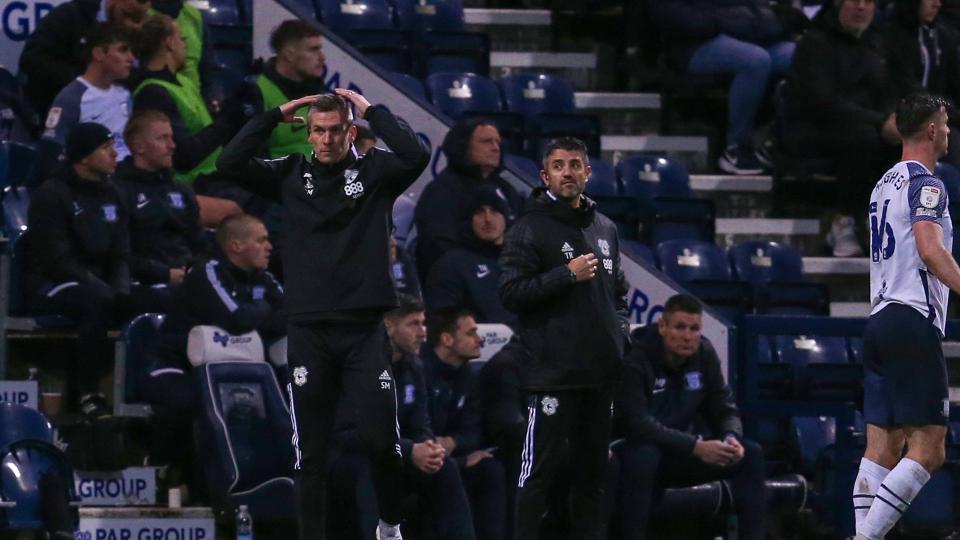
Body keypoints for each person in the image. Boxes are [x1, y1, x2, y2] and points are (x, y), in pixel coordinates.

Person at [216, 89, 431, 540]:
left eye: (336, 130)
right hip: (310, 330)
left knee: (382, 444)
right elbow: (229, 163)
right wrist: (276, 114)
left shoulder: (375, 172)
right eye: (319, 130)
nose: (328, 139)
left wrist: (373, 110)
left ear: (351, 132)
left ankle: (390, 524)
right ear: (308, 133)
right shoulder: (290, 173)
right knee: (309, 454)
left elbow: (416, 153)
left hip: (363, 330)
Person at [498, 137, 630, 540]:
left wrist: (619, 334)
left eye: (575, 164)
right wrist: (565, 274)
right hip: (553, 374)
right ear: (545, 176)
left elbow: (618, 293)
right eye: (559, 165)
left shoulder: (605, 228)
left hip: (599, 375)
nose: (568, 172)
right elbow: (510, 293)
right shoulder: (529, 228)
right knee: (537, 473)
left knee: (593, 478)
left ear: (588, 173)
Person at [855, 93, 958, 540]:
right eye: (947, 123)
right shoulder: (927, 183)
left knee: (881, 449)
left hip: (878, 320)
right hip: (910, 319)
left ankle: (864, 532)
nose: (951, 131)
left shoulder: (883, 184)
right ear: (932, 129)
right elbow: (930, 249)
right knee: (930, 449)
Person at [25, 122, 168, 418]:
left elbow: (121, 255)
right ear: (83, 156)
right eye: (106, 148)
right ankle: (89, 392)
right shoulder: (51, 195)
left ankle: (154, 385)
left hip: (99, 283)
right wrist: (104, 290)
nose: (116, 154)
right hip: (52, 284)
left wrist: (122, 291)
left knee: (161, 299)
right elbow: (56, 260)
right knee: (96, 300)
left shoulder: (112, 193)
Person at [143, 213, 284, 495]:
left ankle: (262, 479)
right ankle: (165, 468)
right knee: (189, 401)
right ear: (236, 246)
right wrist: (264, 311)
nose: (269, 246)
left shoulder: (264, 277)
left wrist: (258, 313)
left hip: (231, 371)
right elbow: (237, 319)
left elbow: (292, 313)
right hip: (175, 363)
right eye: (261, 240)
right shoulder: (207, 272)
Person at [612, 294, 765, 540]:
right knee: (644, 456)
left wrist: (730, 437)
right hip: (635, 448)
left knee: (751, 454)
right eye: (680, 327)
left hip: (684, 451)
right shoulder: (636, 355)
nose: (687, 336)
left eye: (694, 329)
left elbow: (724, 406)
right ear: (663, 326)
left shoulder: (703, 353)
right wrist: (695, 446)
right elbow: (636, 423)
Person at [327, 295, 476, 540]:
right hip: (347, 458)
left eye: (423, 323)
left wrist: (427, 447)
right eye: (413, 324)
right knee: (373, 468)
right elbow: (348, 434)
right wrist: (409, 450)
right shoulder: (356, 367)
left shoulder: (414, 366)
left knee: (443, 465)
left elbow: (421, 422)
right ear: (388, 327)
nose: (423, 333)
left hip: (397, 453)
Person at [785, 0, 900, 255]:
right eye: (853, 0)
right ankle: (843, 220)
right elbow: (822, 101)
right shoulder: (814, 43)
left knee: (906, 140)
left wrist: (895, 120)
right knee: (863, 138)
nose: (861, 7)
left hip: (867, 124)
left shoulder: (877, 44)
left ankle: (887, 223)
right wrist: (879, 122)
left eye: (868, 2)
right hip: (816, 127)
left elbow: (888, 92)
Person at [648, 0, 795, 174]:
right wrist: (719, 22)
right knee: (755, 60)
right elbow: (668, 12)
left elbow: (761, 9)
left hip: (750, 35)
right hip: (697, 43)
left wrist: (768, 23)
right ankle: (736, 148)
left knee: (801, 56)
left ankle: (787, 141)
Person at [131, 14, 245, 226]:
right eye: (182, 39)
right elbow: (183, 157)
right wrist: (229, 121)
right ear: (169, 43)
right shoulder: (153, 93)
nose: (186, 46)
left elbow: (207, 129)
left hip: (218, 175)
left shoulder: (183, 82)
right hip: (196, 183)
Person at [421, 308, 506, 540]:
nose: (480, 339)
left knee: (491, 470)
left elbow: (473, 432)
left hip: (450, 458)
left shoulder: (468, 375)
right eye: (471, 333)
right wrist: (458, 458)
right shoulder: (419, 370)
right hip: (421, 461)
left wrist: (453, 443)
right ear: (447, 339)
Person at [414, 118, 523, 281]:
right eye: (486, 142)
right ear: (463, 146)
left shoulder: (507, 189)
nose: (495, 148)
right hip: (463, 282)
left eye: (497, 142)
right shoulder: (442, 190)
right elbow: (439, 244)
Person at [114, 110, 208, 289]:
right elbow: (119, 254)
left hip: (189, 277)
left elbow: (200, 243)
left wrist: (194, 269)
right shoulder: (118, 190)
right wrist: (163, 274)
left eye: (171, 137)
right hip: (144, 282)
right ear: (139, 146)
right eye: (162, 138)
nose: (172, 145)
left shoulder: (180, 188)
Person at [19, 0, 150, 115]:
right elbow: (31, 59)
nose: (128, 22)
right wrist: (85, 84)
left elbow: (140, 73)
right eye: (126, 14)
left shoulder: (137, 32)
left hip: (110, 114)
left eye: (137, 19)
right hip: (51, 108)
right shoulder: (71, 15)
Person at [425, 184, 516, 325]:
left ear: (506, 217)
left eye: (494, 211)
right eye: (479, 212)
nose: (488, 219)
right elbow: (443, 323)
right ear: (468, 220)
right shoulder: (451, 265)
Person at [43, 23, 135, 163]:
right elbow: (51, 152)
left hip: (129, 177)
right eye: (123, 50)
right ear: (99, 54)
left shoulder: (125, 95)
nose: (131, 58)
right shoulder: (71, 98)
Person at [242, 20, 326, 159]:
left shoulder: (318, 91)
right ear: (289, 54)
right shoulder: (255, 92)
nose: (322, 58)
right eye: (313, 49)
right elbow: (251, 157)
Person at [149, 0, 222, 106]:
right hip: (156, 103)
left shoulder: (195, 16)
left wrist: (214, 97)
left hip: (194, 104)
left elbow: (209, 68)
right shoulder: (141, 16)